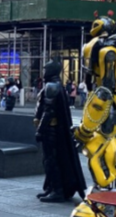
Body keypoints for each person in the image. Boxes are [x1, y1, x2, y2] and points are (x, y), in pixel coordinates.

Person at [33, 61, 88, 203]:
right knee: (51, 160)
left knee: (51, 161)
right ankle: (52, 187)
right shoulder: (57, 86)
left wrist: (40, 130)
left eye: (46, 69)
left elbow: (48, 111)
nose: (44, 72)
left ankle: (57, 190)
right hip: (55, 130)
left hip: (51, 130)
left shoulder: (52, 86)